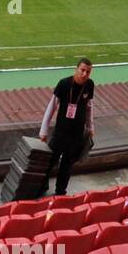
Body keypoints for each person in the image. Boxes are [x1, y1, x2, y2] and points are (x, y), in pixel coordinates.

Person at [39, 58, 95, 196]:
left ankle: (60, 192)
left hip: (77, 134)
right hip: (61, 132)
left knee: (67, 165)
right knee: (50, 161)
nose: (84, 74)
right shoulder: (64, 84)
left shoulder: (90, 85)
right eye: (82, 70)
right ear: (76, 69)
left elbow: (89, 107)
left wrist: (90, 127)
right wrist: (43, 130)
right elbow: (51, 107)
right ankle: (42, 187)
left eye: (88, 72)